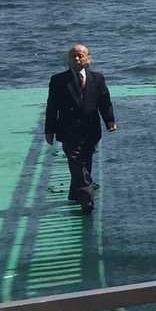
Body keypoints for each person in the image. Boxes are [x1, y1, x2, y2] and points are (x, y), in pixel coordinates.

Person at [45, 43, 117, 215]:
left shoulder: (97, 78)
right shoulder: (58, 80)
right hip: (68, 130)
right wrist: (49, 130)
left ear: (88, 59)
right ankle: (87, 198)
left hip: (91, 129)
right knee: (76, 161)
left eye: (80, 56)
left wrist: (110, 121)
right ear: (68, 60)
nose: (77, 59)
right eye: (73, 56)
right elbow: (52, 107)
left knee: (85, 161)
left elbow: (104, 102)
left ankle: (75, 193)